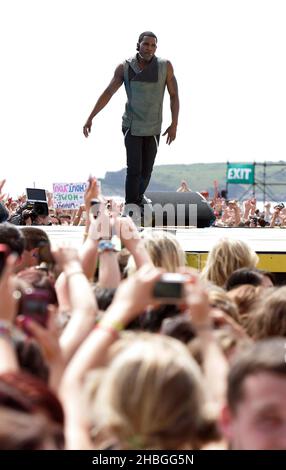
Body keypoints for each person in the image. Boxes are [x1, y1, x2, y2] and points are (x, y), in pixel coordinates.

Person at [83, 31, 179, 214]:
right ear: (138, 45)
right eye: (146, 44)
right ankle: (130, 207)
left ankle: (138, 199)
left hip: (153, 126)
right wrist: (91, 116)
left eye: (153, 45)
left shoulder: (165, 66)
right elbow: (109, 92)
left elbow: (174, 96)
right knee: (134, 169)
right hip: (132, 125)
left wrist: (174, 124)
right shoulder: (125, 67)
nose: (149, 48)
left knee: (147, 170)